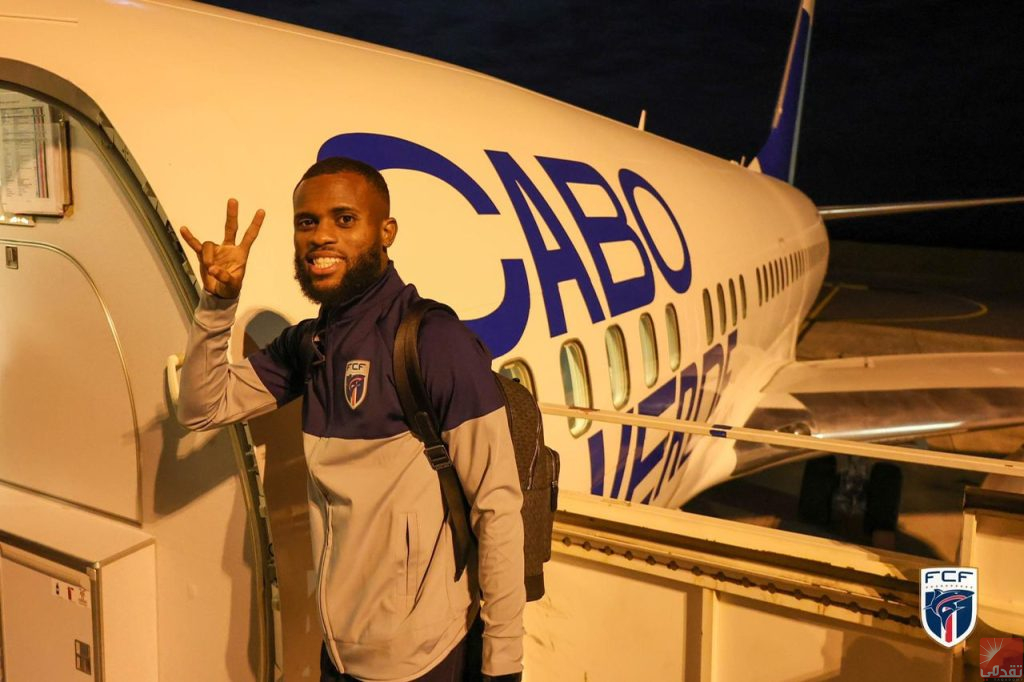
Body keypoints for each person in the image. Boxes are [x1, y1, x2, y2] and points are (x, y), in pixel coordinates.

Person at [176, 157, 525, 682]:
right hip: (338, 650)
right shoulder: (311, 344)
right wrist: (218, 304)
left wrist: (503, 665)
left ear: (386, 232)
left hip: (423, 658)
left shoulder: (434, 342)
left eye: (344, 219)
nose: (320, 237)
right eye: (307, 222)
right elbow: (203, 408)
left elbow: (498, 508)